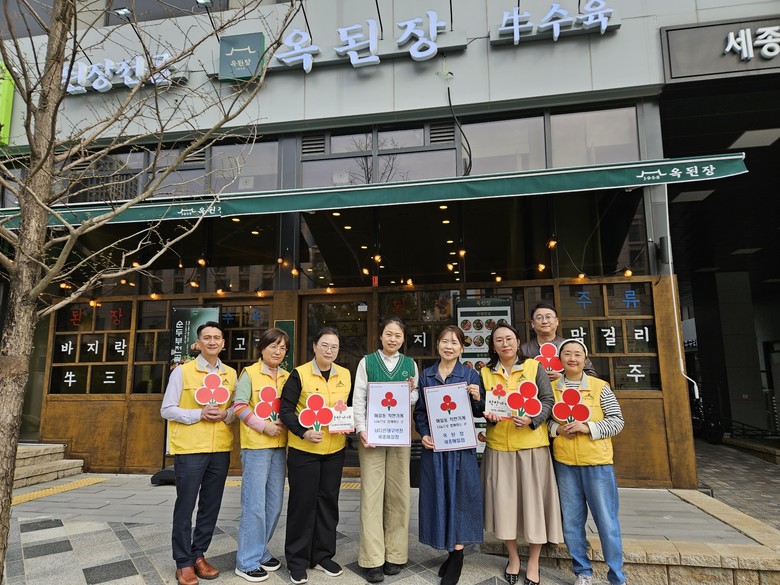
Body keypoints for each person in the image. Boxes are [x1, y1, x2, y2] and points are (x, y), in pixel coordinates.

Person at [481, 323, 563, 585]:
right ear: (493, 346)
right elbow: (482, 406)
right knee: (504, 506)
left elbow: (548, 401)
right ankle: (513, 557)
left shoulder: (533, 367)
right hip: (499, 448)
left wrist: (532, 419)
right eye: (499, 340)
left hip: (532, 448)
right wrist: (488, 415)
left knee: (534, 507)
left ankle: (534, 561)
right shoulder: (485, 372)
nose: (505, 344)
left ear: (518, 342)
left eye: (509, 339)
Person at [161, 321, 237, 585]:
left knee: (210, 506)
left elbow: (236, 409)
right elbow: (167, 409)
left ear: (223, 343)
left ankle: (198, 554)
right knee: (185, 505)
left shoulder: (231, 374)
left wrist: (226, 414)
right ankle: (183, 562)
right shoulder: (182, 372)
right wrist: (198, 414)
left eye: (217, 337)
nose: (212, 342)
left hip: (220, 449)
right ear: (198, 343)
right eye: (207, 337)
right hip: (191, 449)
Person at [549, 339, 626, 585]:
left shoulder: (600, 387)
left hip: (597, 464)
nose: (572, 358)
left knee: (607, 522)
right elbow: (544, 422)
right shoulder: (551, 389)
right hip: (565, 464)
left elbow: (617, 421)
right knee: (572, 523)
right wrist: (558, 429)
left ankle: (617, 576)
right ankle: (582, 572)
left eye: (577, 354)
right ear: (560, 359)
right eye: (567, 354)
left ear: (585, 359)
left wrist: (588, 427)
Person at [413, 325, 484, 585]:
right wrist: (424, 433)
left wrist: (477, 398)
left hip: (460, 448)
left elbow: (479, 412)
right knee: (438, 495)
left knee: (461, 496)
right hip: (436, 447)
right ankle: (449, 550)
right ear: (438, 345)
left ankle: (458, 555)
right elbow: (420, 412)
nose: (449, 346)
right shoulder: (427, 375)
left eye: (454, 342)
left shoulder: (470, 375)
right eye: (444, 341)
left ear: (462, 347)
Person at [279, 327, 351, 585]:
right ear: (314, 346)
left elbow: (347, 408)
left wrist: (348, 424)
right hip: (305, 452)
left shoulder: (345, 374)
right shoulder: (299, 374)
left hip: (335, 451)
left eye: (334, 347)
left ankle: (322, 555)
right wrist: (303, 432)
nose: (329, 351)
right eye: (324, 345)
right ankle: (297, 560)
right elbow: (285, 410)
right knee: (303, 505)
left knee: (328, 503)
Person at [353, 317, 419, 582]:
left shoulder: (409, 364)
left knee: (399, 493)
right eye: (388, 334)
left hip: (399, 436)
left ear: (403, 339)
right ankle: (372, 559)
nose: (393, 339)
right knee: (371, 494)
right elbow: (359, 397)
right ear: (380, 336)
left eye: (398, 335)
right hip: (372, 436)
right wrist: (361, 429)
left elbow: (413, 399)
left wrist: (411, 390)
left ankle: (395, 555)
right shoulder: (367, 362)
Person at [232, 328, 291, 582]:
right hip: (256, 445)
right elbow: (239, 406)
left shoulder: (288, 376)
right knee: (254, 505)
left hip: (279, 446)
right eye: (273, 346)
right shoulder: (250, 373)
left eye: (283, 348)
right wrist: (263, 426)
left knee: (274, 504)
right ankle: (246, 562)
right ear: (262, 348)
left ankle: (260, 550)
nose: (278, 352)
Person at [520, 302, 598, 382]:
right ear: (532, 323)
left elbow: (592, 375)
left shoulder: (570, 346)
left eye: (548, 317)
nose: (544, 321)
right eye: (539, 318)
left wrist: (565, 379)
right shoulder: (524, 349)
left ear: (557, 321)